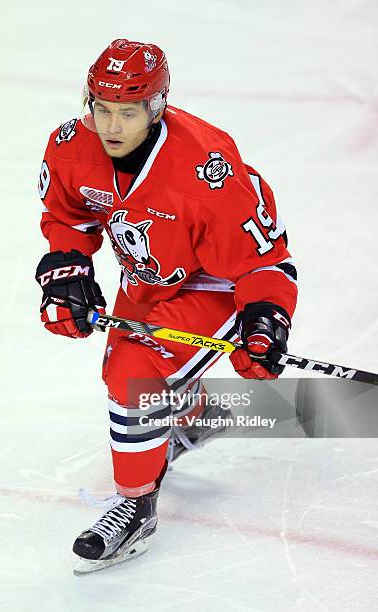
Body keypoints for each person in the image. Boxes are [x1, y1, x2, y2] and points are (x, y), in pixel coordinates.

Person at [35, 39, 297, 573]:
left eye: (127, 112)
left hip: (215, 282)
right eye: (100, 108)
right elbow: (70, 216)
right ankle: (192, 415)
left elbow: (263, 264)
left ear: (155, 107)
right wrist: (67, 269)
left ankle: (135, 505)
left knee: (131, 373)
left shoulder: (207, 168)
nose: (111, 126)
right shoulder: (70, 146)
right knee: (136, 369)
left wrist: (266, 317)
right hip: (149, 276)